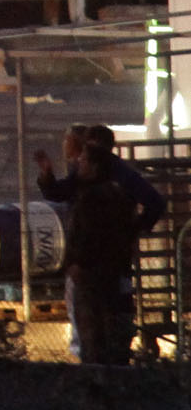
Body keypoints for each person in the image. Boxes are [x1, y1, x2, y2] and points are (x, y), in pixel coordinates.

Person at [38, 124, 168, 361]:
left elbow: (153, 203)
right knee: (95, 315)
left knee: (105, 314)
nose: (81, 159)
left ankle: (101, 362)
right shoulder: (87, 178)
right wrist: (47, 176)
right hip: (98, 266)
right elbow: (59, 193)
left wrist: (133, 230)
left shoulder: (115, 183)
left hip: (103, 265)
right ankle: (98, 359)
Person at [52, 133, 144, 365]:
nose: (78, 164)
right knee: (109, 328)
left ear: (94, 166)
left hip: (92, 275)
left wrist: (77, 262)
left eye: (83, 161)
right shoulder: (116, 194)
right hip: (108, 271)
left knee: (92, 333)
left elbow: (87, 236)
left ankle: (97, 378)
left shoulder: (93, 198)